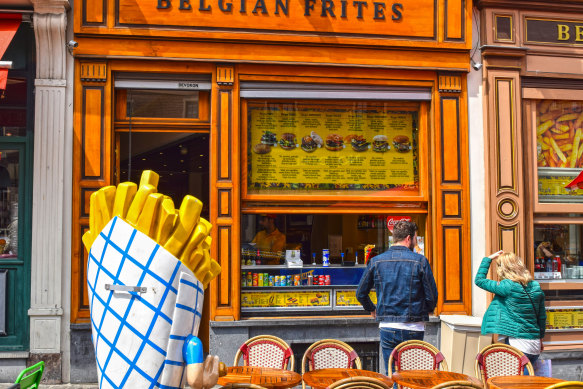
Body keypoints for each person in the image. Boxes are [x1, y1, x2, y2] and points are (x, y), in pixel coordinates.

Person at [356, 220, 438, 375]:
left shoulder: (376, 261)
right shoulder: (420, 261)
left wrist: (372, 309)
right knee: (412, 376)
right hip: (414, 326)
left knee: (392, 374)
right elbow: (432, 295)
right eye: (415, 238)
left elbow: (360, 293)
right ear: (408, 238)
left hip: (388, 326)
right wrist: (427, 310)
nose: (415, 241)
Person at [475, 251, 546, 366]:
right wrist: (540, 339)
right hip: (535, 346)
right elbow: (541, 317)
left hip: (518, 345)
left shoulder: (507, 286)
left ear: (502, 269)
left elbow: (479, 280)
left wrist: (488, 259)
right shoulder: (536, 286)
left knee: (514, 382)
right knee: (528, 382)